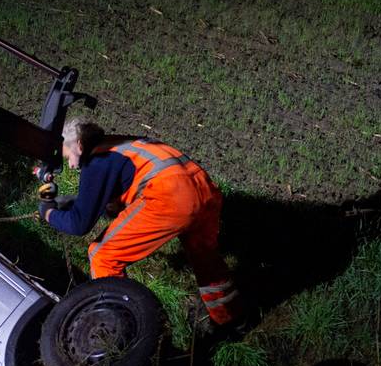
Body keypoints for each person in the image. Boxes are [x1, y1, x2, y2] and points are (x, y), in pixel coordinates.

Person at [38, 117, 243, 332]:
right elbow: (121, 195)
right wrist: (77, 201)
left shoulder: (98, 161)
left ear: (79, 145)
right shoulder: (122, 144)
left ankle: (125, 330)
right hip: (204, 191)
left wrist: (49, 213)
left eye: (68, 156)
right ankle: (232, 320)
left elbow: (79, 225)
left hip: (170, 198)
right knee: (205, 257)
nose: (70, 165)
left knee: (102, 255)